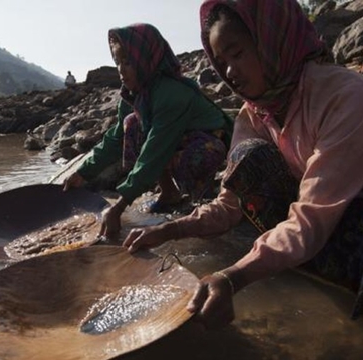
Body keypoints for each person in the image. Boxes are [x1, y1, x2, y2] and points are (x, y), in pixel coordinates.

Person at [123, 0, 363, 329]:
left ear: (271, 40)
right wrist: (170, 230)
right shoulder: (256, 113)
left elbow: (312, 217)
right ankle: (309, 272)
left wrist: (234, 276)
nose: (230, 74)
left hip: (349, 223)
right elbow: (229, 205)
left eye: (238, 54)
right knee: (249, 158)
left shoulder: (343, 97)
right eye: (222, 62)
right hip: (321, 230)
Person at [63, 23, 233, 238]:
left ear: (146, 60)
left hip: (209, 141)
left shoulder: (171, 93)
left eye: (128, 62)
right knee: (131, 125)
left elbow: (156, 148)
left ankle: (200, 200)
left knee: (196, 155)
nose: (121, 70)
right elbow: (116, 138)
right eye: (117, 62)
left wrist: (120, 205)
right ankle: (169, 193)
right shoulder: (134, 95)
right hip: (176, 139)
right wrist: (82, 172)